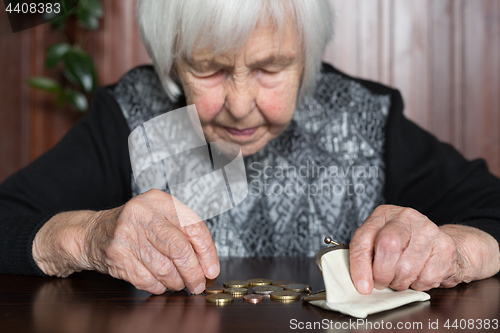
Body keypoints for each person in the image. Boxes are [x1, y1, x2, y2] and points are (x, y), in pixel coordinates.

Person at [0, 0, 499, 296]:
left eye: (270, 68)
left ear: (308, 56)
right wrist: (87, 238)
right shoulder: (132, 115)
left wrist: (452, 250)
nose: (240, 106)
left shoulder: (364, 117)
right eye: (208, 69)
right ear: (172, 63)